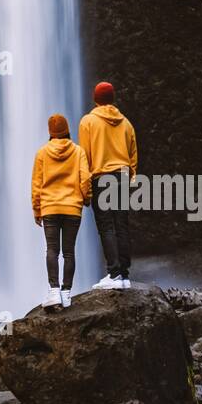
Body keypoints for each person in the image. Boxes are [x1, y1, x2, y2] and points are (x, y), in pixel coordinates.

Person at [79, 81, 138, 290]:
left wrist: (85, 189)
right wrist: (130, 176)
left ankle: (113, 273)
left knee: (106, 227)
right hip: (121, 175)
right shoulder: (126, 123)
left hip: (101, 177)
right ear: (113, 99)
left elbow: (84, 157)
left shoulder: (88, 122)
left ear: (95, 100)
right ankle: (124, 273)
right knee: (121, 224)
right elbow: (132, 155)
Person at [31, 113, 92, 309]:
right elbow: (85, 179)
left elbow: (36, 184)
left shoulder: (42, 153)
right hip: (72, 207)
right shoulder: (78, 152)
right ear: (67, 130)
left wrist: (37, 209)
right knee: (68, 252)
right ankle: (66, 293)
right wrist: (86, 198)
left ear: (50, 133)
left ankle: (54, 291)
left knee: (52, 250)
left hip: (49, 207)